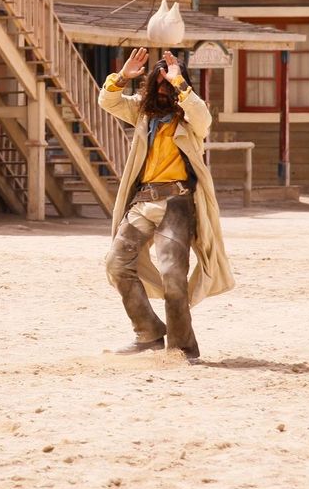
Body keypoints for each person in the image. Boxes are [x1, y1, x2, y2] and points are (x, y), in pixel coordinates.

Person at [98, 46, 234, 361]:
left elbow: (203, 118)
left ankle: (183, 347)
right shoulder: (142, 112)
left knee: (173, 276)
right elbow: (108, 101)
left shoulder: (190, 116)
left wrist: (179, 83)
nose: (163, 90)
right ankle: (147, 333)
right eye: (159, 83)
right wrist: (122, 76)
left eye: (168, 84)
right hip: (143, 202)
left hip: (177, 204)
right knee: (117, 264)